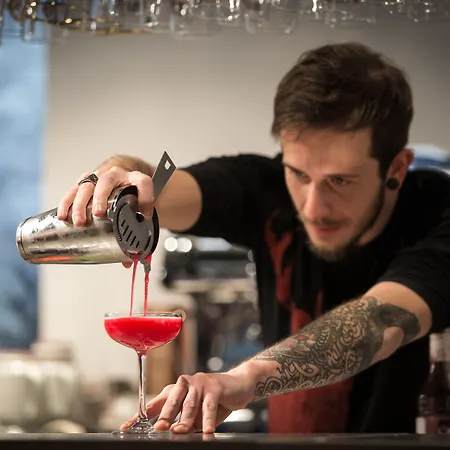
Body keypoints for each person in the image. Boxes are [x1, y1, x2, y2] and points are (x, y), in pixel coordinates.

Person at [57, 42, 450, 435]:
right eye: (299, 174)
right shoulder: (264, 186)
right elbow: (155, 187)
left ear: (396, 168)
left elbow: (378, 322)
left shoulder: (438, 213)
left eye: (340, 181)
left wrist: (244, 379)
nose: (313, 207)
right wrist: (117, 176)